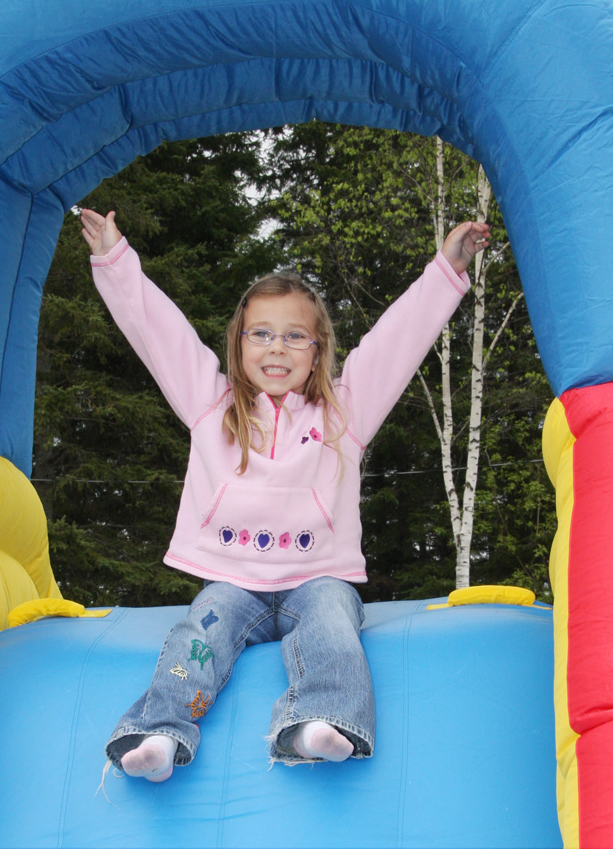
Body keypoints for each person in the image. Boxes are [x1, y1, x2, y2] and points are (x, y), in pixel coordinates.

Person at [82, 208, 489, 781]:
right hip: (232, 581)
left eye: (295, 336)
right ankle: (158, 733)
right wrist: (114, 259)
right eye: (263, 334)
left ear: (318, 350)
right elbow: (159, 334)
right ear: (239, 343)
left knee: (333, 624)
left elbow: (396, 343)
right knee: (198, 638)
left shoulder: (344, 413)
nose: (278, 348)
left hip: (316, 577)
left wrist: (448, 268)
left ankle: (317, 721)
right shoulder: (211, 404)